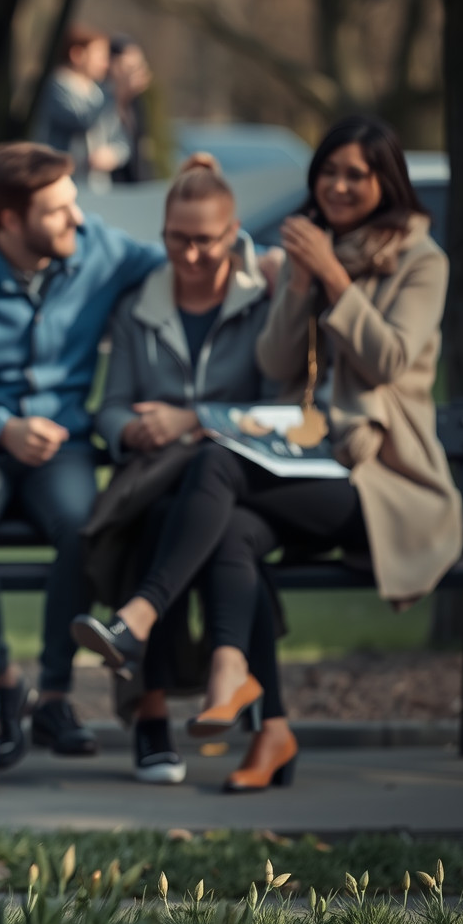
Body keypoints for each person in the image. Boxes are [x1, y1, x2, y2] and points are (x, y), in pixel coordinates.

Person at [72, 116, 463, 793]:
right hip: (307, 463)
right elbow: (276, 361)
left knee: (213, 463)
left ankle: (140, 619)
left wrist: (333, 277)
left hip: (379, 479)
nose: (337, 186)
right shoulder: (306, 254)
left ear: (385, 182)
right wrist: (303, 288)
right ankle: (269, 724)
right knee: (232, 531)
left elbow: (391, 359)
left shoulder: (421, 260)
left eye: (355, 175)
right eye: (329, 172)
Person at [0, 142, 165, 766]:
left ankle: (55, 694)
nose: (77, 220)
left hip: (63, 447)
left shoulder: (101, 250)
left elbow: (182, 256)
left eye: (75, 205)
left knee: (85, 522)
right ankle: (0, 685)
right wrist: (1, 428)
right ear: (10, 220)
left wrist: (267, 261)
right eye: (58, 211)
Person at [89, 154, 274, 784]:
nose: (190, 255)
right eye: (177, 239)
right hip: (158, 473)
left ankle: (149, 702)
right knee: (159, 514)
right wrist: (131, 429)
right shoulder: (140, 306)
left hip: (239, 477)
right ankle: (160, 710)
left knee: (180, 517)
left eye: (205, 241)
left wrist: (189, 419)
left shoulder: (262, 301)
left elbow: (274, 411)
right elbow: (110, 406)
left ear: (234, 233)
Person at [32, 23, 131, 192]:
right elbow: (81, 120)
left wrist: (113, 154)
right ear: (77, 54)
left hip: (97, 187)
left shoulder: (100, 94)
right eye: (100, 55)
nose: (105, 64)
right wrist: (114, 95)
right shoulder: (55, 88)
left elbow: (122, 140)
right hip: (62, 183)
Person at [107, 36, 154, 184]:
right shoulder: (102, 97)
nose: (134, 74)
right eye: (129, 67)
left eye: (139, 67)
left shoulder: (137, 102)